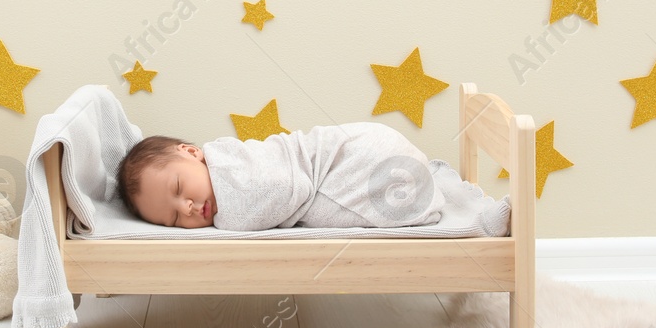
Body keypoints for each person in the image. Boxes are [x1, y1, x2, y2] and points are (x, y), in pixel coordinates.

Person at [115, 121, 510, 235]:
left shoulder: (230, 168)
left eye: (179, 189)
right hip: (379, 148)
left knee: (394, 215)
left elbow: (290, 188)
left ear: (191, 152)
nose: (187, 208)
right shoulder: (223, 158)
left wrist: (227, 219)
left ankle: (476, 228)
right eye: (173, 219)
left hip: (361, 160)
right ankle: (446, 197)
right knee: (409, 193)